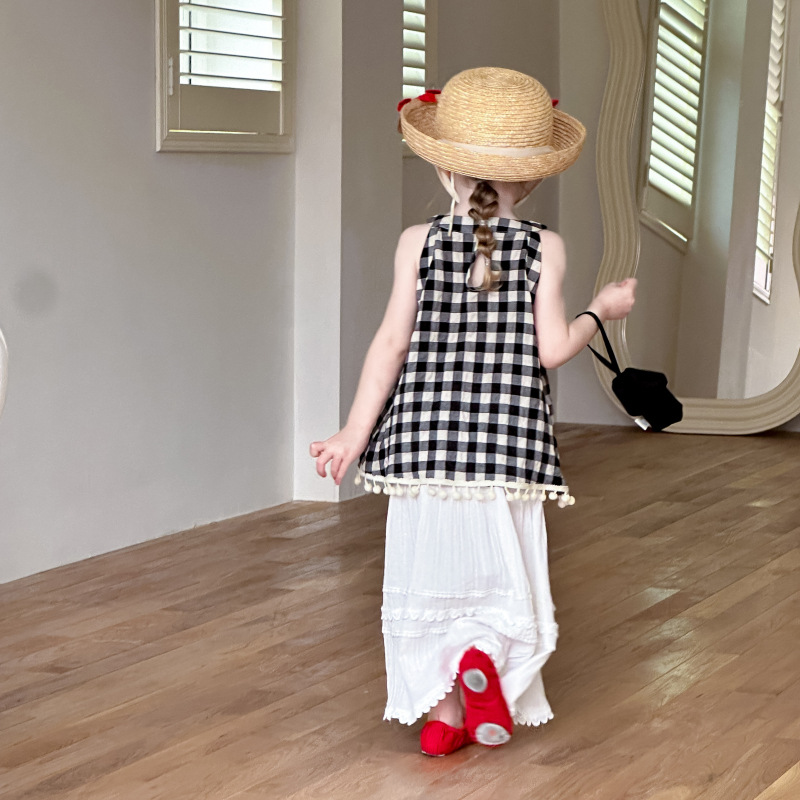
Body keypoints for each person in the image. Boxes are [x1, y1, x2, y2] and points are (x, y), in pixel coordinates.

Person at [310, 67, 636, 757]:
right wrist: (599, 310)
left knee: (429, 574)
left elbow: (390, 345)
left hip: (424, 445)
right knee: (499, 570)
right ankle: (483, 660)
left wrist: (351, 434)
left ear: (444, 168)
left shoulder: (417, 241)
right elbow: (553, 350)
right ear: (533, 178)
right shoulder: (544, 247)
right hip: (507, 446)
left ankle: (443, 715)